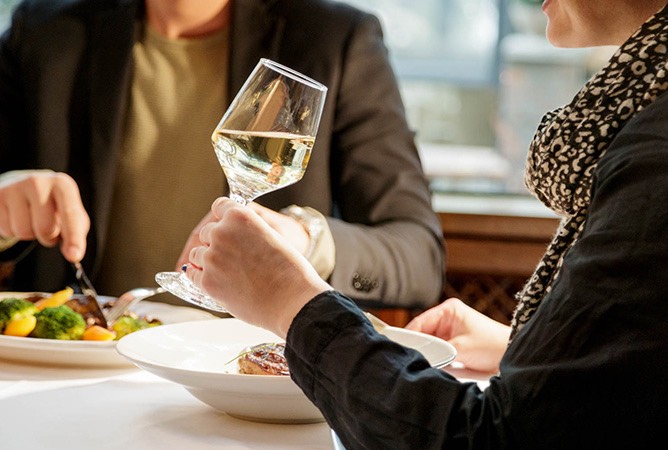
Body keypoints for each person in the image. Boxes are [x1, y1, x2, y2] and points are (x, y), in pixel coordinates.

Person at [185, 0, 668, 448]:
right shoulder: (642, 116)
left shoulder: (656, 149)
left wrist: (290, 300)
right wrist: (524, 351)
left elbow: (494, 437)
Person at [0, 0, 444, 309]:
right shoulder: (43, 32)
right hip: (76, 376)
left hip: (249, 384)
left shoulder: (334, 40)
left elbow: (418, 255)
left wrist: (304, 239)